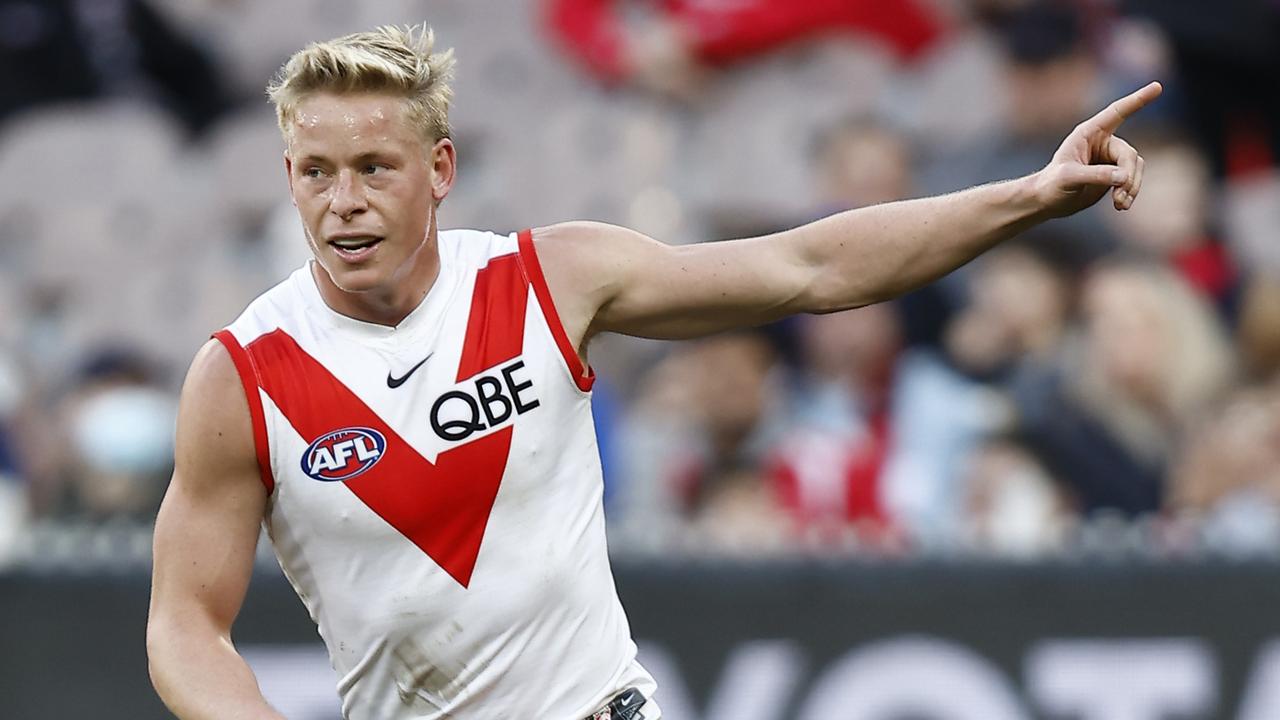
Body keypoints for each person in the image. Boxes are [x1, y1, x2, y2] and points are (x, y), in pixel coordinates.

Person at [145, 23, 1160, 720]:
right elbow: (187, 625)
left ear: (441, 171)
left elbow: (809, 266)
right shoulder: (243, 374)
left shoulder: (550, 279)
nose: (343, 202)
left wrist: (1023, 197)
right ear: (287, 179)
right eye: (316, 174)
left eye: (375, 168)